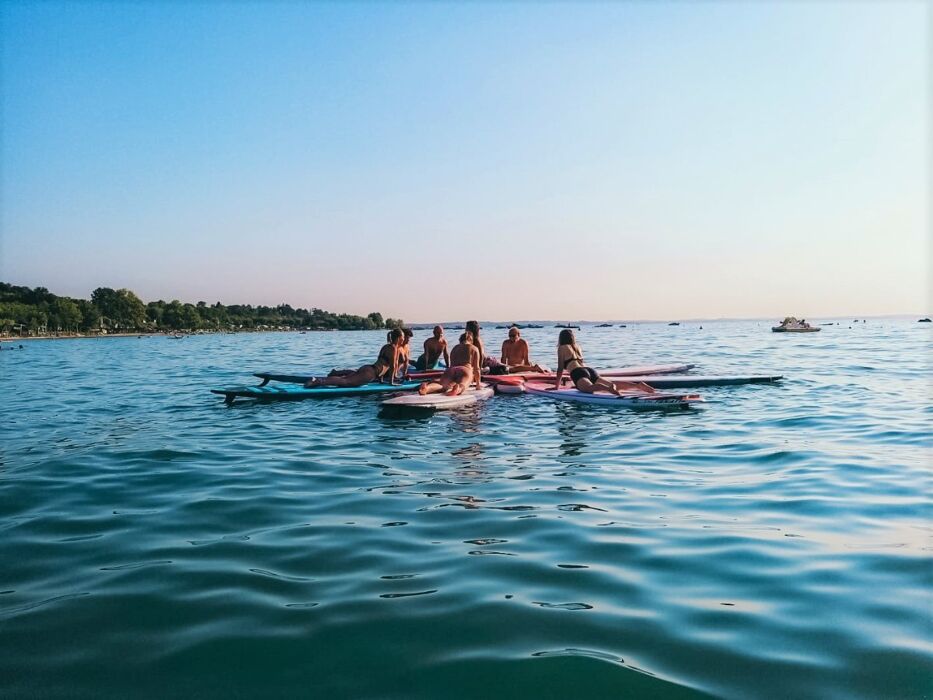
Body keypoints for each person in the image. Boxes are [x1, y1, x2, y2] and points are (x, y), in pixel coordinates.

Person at [305, 329, 403, 388]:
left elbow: (382, 363)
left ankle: (318, 380)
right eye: (402, 338)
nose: (403, 340)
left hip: (369, 368)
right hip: (371, 373)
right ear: (398, 338)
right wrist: (391, 382)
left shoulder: (386, 346)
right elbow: (393, 366)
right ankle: (317, 381)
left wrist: (381, 380)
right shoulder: (394, 348)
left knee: (345, 379)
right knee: (345, 382)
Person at [551, 329, 624, 396]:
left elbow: (560, 368)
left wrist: (556, 386)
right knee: (610, 384)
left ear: (561, 338)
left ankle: (608, 389)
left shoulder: (562, 347)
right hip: (590, 370)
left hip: (578, 372)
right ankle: (632, 386)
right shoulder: (577, 347)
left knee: (588, 389)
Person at [418, 330, 482, 396]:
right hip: (465, 369)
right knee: (463, 384)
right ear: (471, 340)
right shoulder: (474, 348)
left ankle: (427, 388)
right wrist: (478, 384)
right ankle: (458, 388)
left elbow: (451, 363)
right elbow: (477, 368)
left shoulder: (455, 348)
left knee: (442, 385)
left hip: (451, 369)